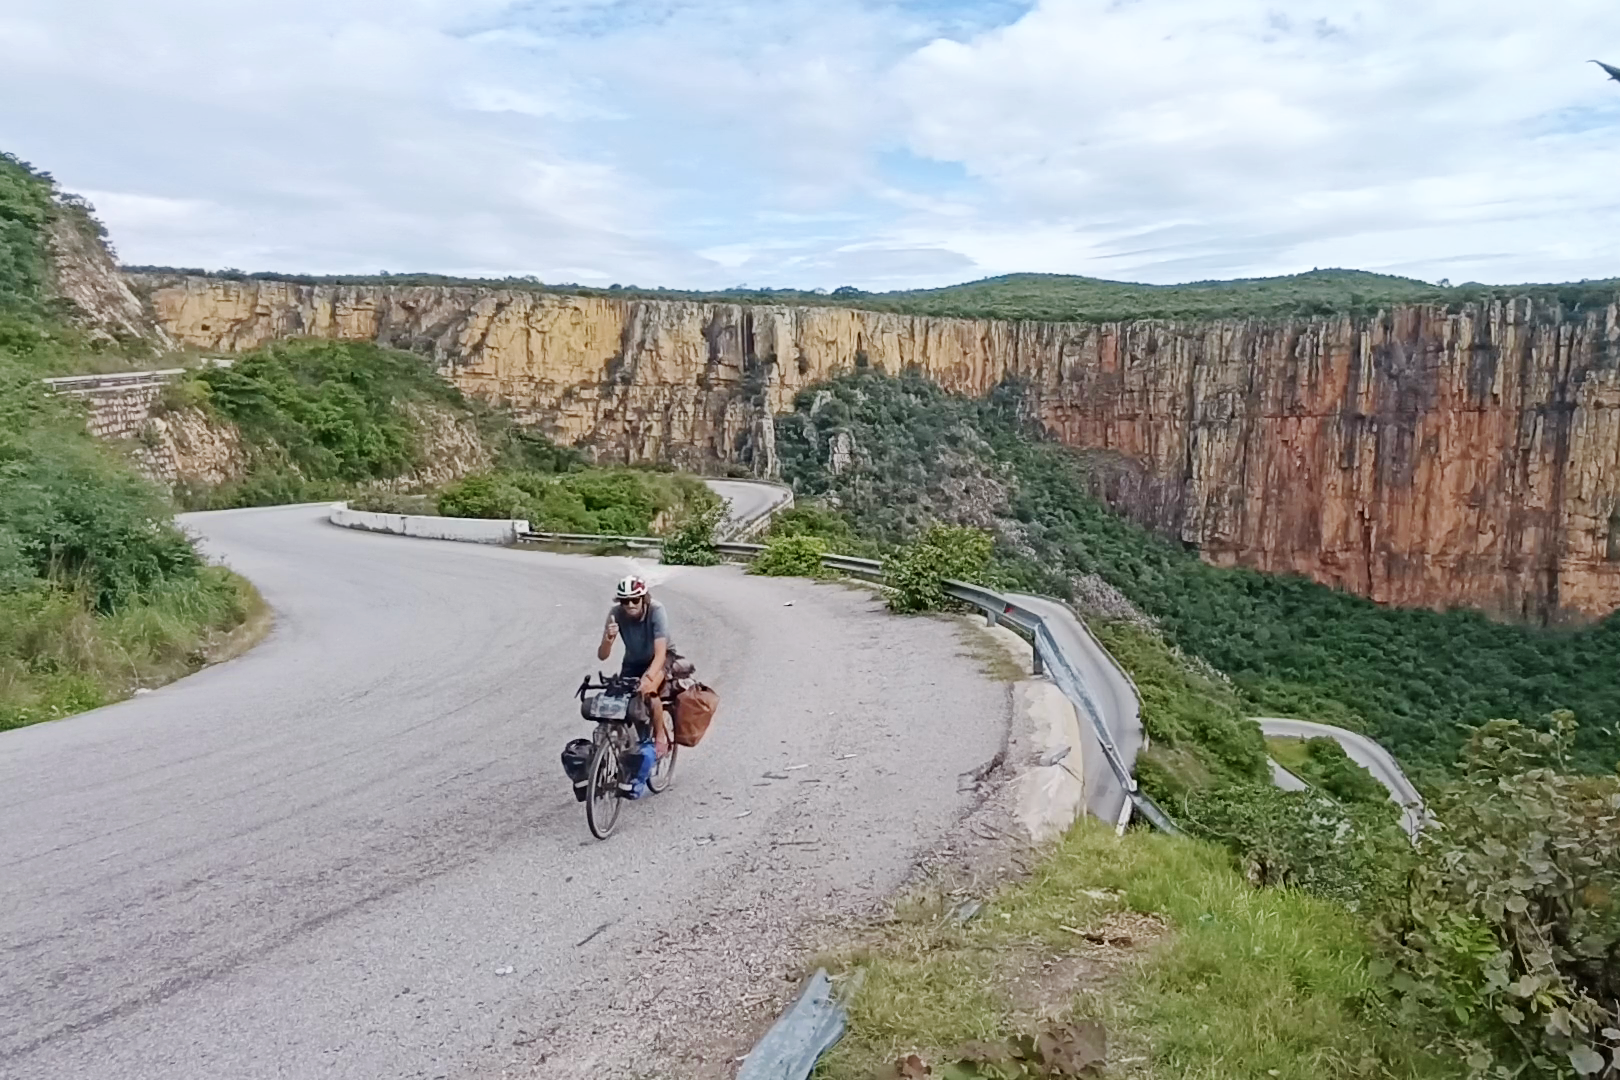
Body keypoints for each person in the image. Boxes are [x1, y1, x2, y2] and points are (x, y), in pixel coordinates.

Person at [598, 575, 673, 758]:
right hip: (632, 661)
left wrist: (647, 679)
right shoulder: (616, 613)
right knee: (617, 698)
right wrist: (608, 638)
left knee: (649, 692)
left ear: (643, 598)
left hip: (659, 658)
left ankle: (660, 737)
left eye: (635, 599)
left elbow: (661, 653)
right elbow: (602, 655)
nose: (630, 605)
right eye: (625, 600)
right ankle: (622, 744)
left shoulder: (656, 610)